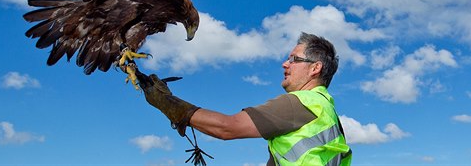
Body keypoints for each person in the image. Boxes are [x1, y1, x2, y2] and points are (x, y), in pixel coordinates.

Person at [140, 32, 352, 166]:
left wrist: (167, 103)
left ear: (315, 68)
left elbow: (227, 127)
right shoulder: (326, 111)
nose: (285, 64)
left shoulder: (301, 103)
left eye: (294, 60)